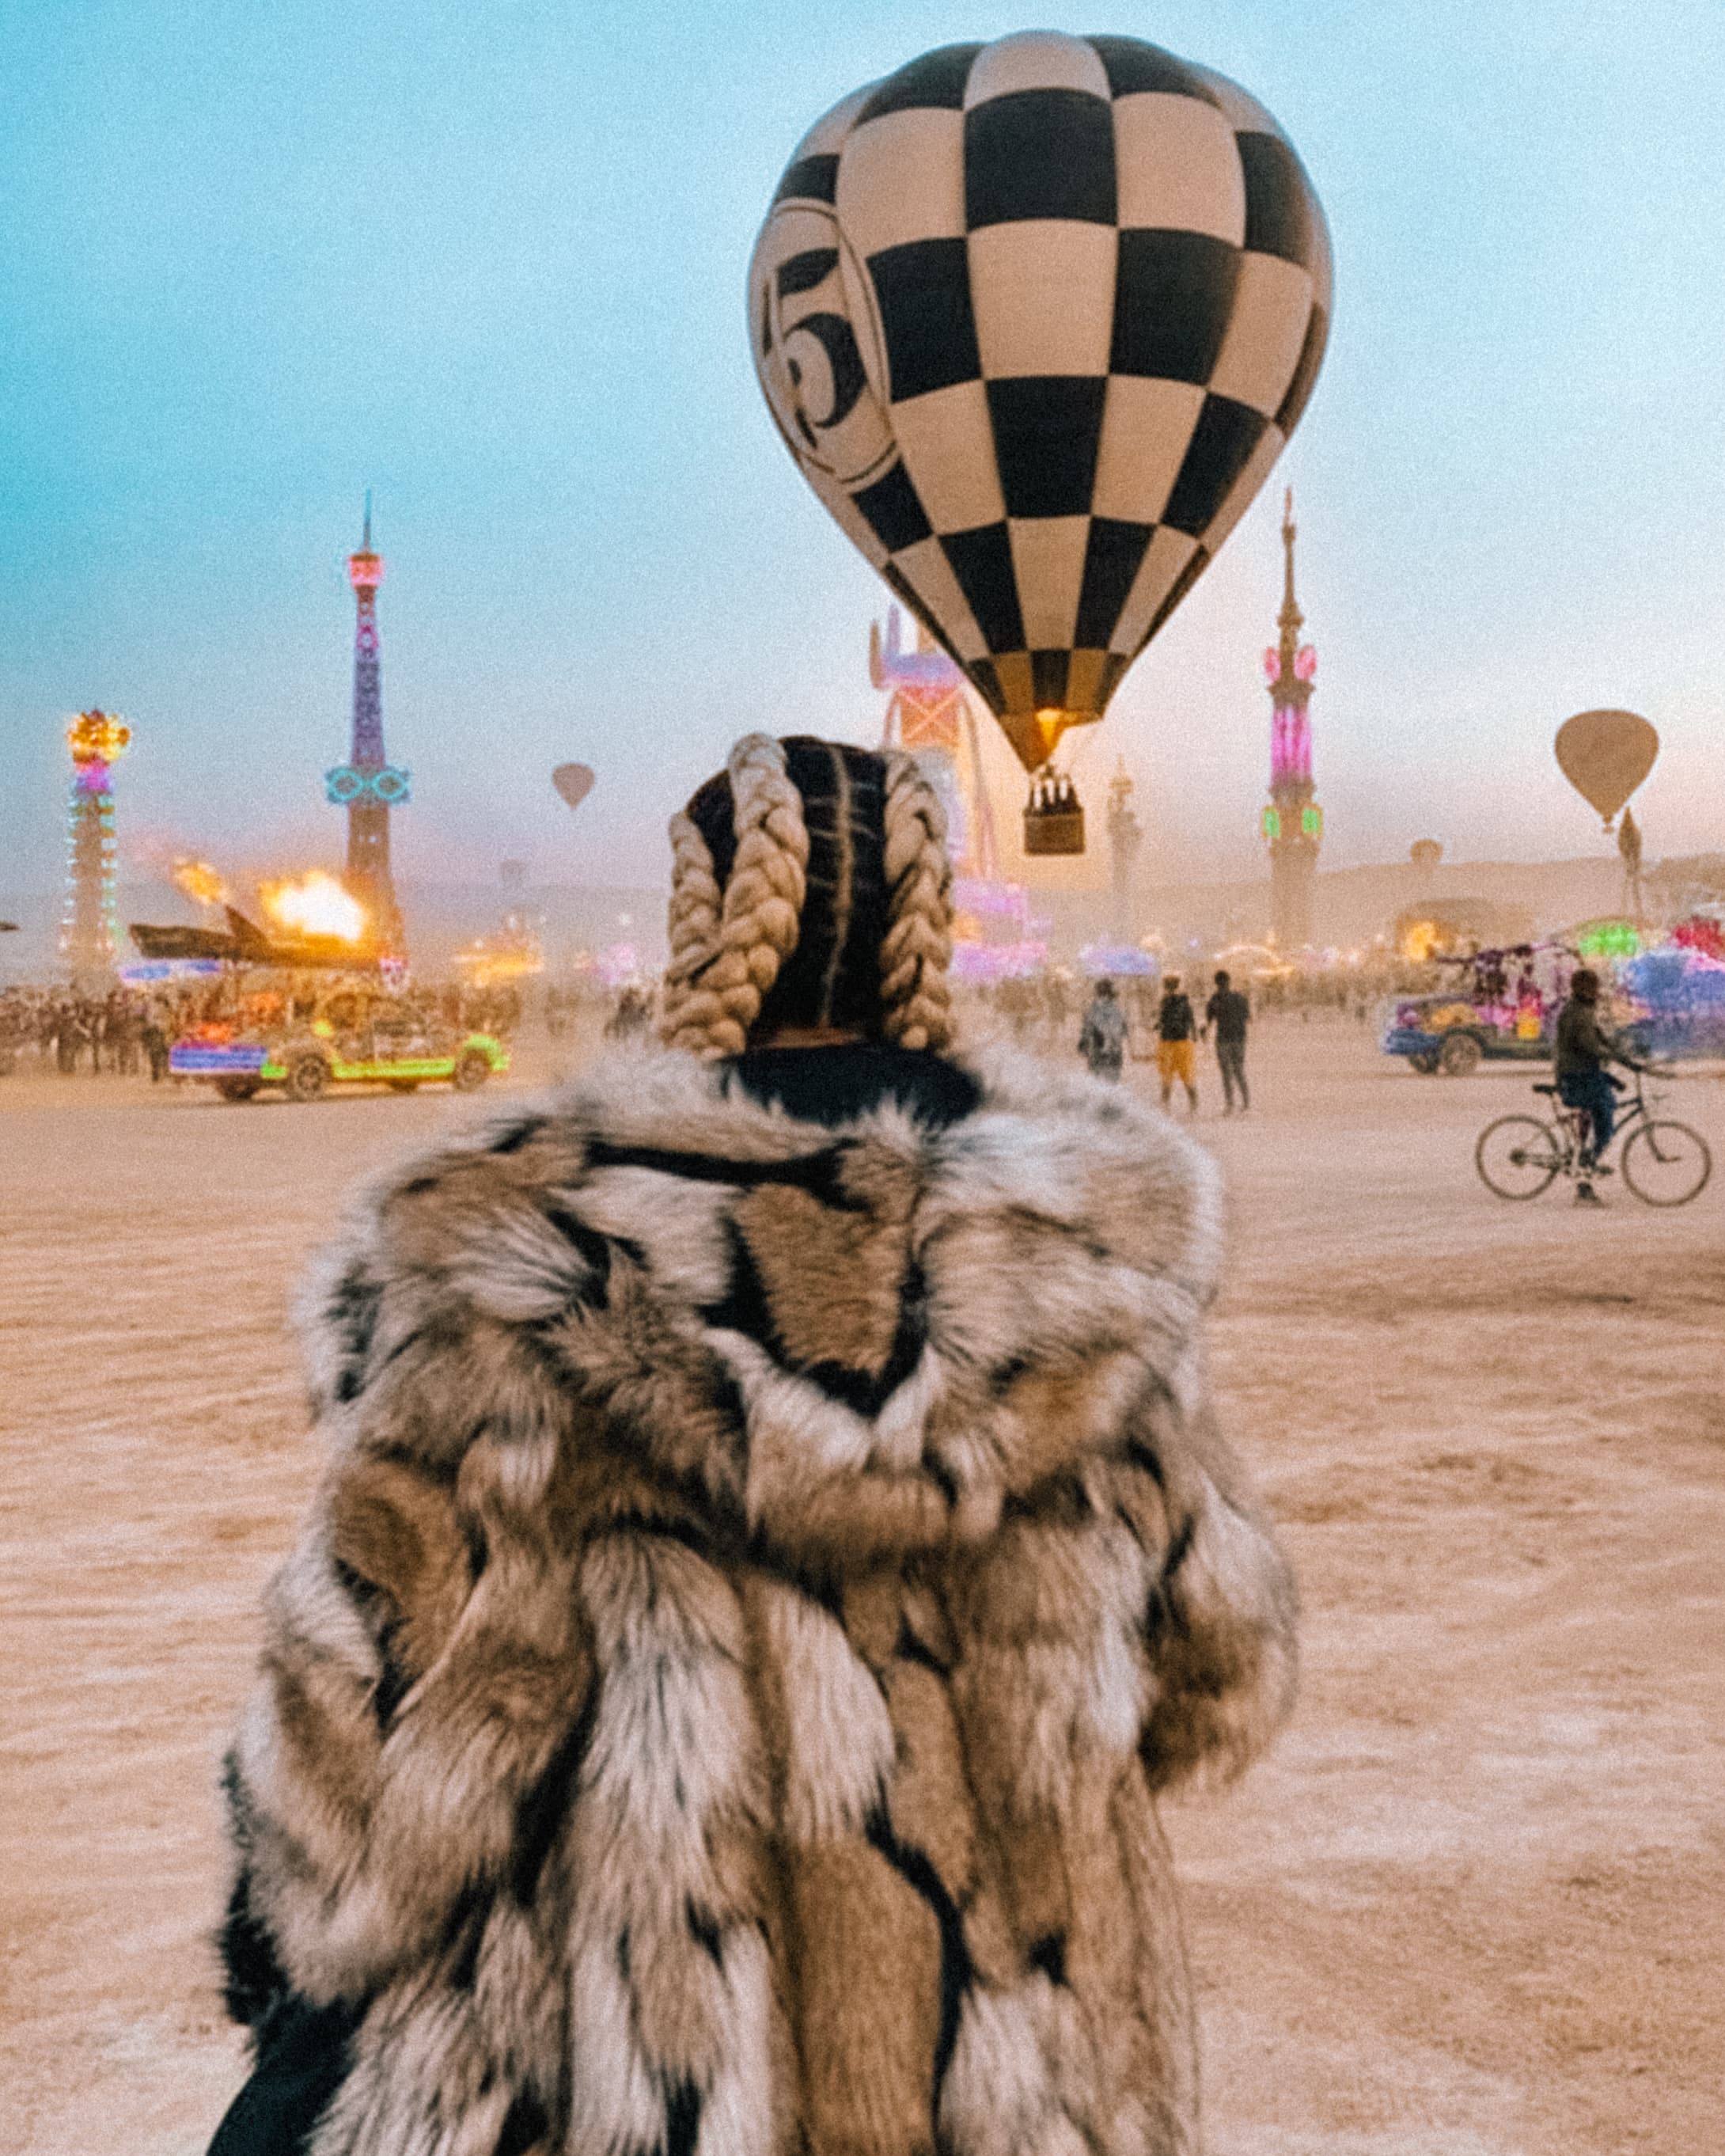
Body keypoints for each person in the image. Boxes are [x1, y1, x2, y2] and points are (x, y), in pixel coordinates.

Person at [204, 733, 1295, 2156]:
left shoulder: (514, 1244)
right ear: (928, 913)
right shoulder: (1089, 1244)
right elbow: (1222, 1662)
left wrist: (295, 1943)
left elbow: (352, 1703)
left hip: (648, 2056)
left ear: (703, 916)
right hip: (1011, 2065)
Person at [1554, 966, 1638, 1205]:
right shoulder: (1578, 1013)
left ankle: (1589, 1157)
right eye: (1592, 987)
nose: (1596, 991)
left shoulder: (1582, 1009)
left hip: (1582, 1074)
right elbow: (1588, 1045)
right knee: (1605, 1118)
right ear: (1582, 989)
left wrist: (1618, 1051)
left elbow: (1599, 1038)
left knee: (1605, 1107)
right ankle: (1584, 1176)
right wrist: (1612, 1055)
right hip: (1576, 1077)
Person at [1203, 968, 1252, 1114]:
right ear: (1229, 981)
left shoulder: (1214, 999)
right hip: (1239, 1038)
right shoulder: (1240, 997)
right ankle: (1246, 1102)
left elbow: (1209, 1021)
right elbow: (1247, 1017)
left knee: (1226, 1073)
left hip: (1223, 1039)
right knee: (1239, 1070)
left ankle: (1230, 1104)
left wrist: (1204, 1033)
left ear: (1216, 983)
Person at [1156, 971, 1199, 1114]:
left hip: (1168, 1041)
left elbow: (1163, 1020)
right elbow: (1191, 1019)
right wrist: (1194, 1034)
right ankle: (1193, 1103)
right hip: (1182, 1041)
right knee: (1186, 1074)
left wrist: (1159, 1025)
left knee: (1167, 1075)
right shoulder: (1184, 1002)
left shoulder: (1166, 1002)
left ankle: (1165, 1104)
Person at [1077, 974, 1129, 1080]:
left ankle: (1101, 1094)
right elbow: (1124, 1032)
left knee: (1097, 1079)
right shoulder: (1119, 1009)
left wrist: (1083, 1042)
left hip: (1097, 1050)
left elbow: (1087, 1029)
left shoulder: (1093, 1008)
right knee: (1113, 1079)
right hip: (1114, 1051)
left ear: (1098, 993)